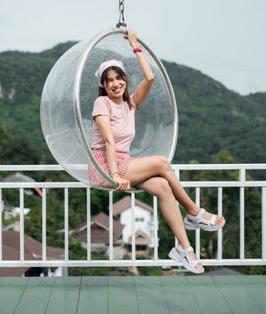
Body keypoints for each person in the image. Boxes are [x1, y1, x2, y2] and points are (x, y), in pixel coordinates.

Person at [88, 28, 225, 274]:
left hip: (122, 162)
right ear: (103, 85)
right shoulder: (102, 103)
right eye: (109, 80)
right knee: (162, 163)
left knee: (163, 186)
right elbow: (108, 141)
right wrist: (116, 173)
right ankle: (194, 212)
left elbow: (150, 78)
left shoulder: (131, 104)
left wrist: (135, 45)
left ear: (125, 79)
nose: (115, 84)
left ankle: (184, 250)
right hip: (104, 166)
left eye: (119, 78)